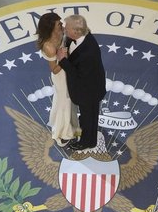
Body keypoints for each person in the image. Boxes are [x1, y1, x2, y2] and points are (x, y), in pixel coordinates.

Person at [57, 14, 106, 151]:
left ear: (76, 32)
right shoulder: (81, 37)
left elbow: (76, 73)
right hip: (90, 86)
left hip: (89, 89)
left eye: (67, 29)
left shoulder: (88, 52)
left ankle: (86, 142)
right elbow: (68, 43)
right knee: (89, 115)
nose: (64, 30)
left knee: (88, 117)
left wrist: (62, 60)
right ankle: (90, 140)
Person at [35, 12, 79, 145]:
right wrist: (63, 58)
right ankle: (62, 133)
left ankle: (72, 127)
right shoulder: (48, 46)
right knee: (64, 103)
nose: (61, 24)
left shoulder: (60, 34)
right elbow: (54, 69)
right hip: (61, 76)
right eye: (58, 24)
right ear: (51, 27)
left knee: (69, 102)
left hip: (68, 70)